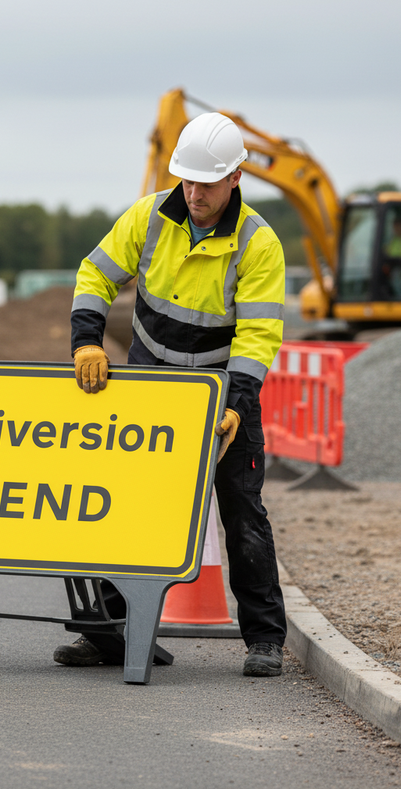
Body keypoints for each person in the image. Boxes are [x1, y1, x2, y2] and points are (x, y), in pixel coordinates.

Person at [54, 112, 287, 677]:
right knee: (125, 507)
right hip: (150, 390)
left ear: (236, 177)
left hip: (219, 396)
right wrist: (87, 343)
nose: (194, 192)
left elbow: (257, 336)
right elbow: (95, 274)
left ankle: (264, 640)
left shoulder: (258, 244)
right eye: (186, 179)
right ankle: (107, 634)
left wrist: (235, 404)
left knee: (241, 513)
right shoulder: (149, 217)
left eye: (206, 182)